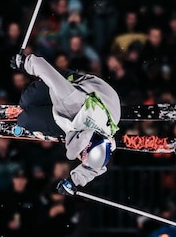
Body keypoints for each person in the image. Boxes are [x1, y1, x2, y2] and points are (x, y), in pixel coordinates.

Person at [11, 52, 121, 195]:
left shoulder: (103, 148)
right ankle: (43, 101)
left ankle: (40, 113)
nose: (80, 159)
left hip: (88, 112)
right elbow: (49, 74)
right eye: (81, 155)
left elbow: (93, 168)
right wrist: (25, 63)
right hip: (77, 87)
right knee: (27, 100)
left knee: (24, 118)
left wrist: (73, 181)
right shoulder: (72, 102)